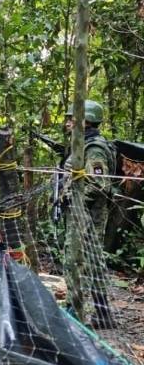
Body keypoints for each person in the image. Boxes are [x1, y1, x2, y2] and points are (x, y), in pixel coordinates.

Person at [60, 99, 115, 328]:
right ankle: (102, 315)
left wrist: (72, 197)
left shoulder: (94, 148)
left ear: (86, 121)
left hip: (87, 214)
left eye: (72, 118)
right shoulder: (83, 143)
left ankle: (75, 312)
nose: (68, 122)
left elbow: (98, 183)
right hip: (83, 212)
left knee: (75, 259)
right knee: (93, 261)